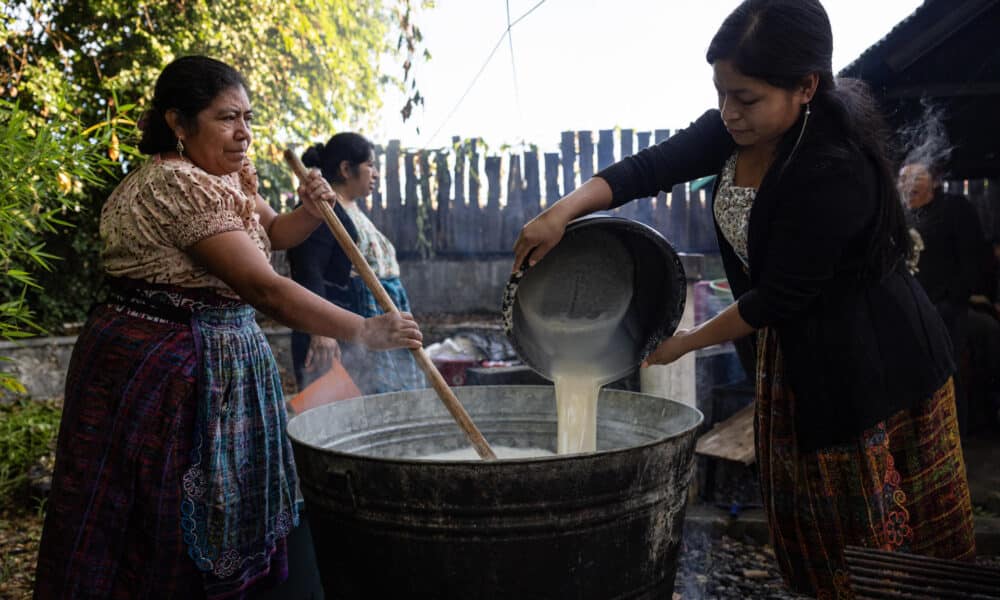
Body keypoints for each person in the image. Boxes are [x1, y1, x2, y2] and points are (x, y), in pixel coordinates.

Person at [513, 1, 975, 597]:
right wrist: (561, 213)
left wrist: (683, 343)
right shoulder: (732, 131)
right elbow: (649, 168)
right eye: (721, 92)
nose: (729, 111)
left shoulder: (833, 168)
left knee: (877, 534)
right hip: (793, 352)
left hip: (873, 364)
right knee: (807, 522)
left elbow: (779, 296)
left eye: (746, 97)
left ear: (805, 86)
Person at [34, 56, 422, 599]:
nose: (244, 133)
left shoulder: (227, 177)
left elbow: (276, 234)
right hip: (166, 374)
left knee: (231, 511)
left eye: (247, 117)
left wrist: (310, 211)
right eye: (226, 118)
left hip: (220, 365)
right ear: (177, 122)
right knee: (160, 516)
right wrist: (364, 329)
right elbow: (263, 287)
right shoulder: (174, 183)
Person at [287, 133, 426, 395]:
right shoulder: (322, 210)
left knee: (376, 413)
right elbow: (307, 271)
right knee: (341, 418)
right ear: (346, 168)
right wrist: (321, 332)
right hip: (341, 329)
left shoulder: (352, 210)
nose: (375, 174)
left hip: (372, 326)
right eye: (370, 165)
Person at [898, 161, 986, 434]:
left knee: (946, 374)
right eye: (903, 178)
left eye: (916, 177)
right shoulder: (897, 215)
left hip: (944, 311)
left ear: (934, 181)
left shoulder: (954, 210)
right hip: (904, 313)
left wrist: (951, 301)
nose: (907, 183)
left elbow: (973, 262)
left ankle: (952, 435)